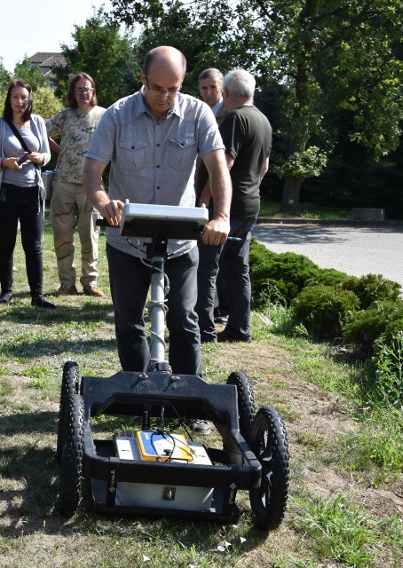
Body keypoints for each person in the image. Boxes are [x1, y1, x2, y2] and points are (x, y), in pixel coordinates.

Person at [83, 45, 232, 377]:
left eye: (174, 89)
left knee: (184, 318)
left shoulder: (198, 115)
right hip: (128, 241)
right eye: (158, 88)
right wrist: (105, 203)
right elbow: (92, 172)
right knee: (129, 320)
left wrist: (221, 216)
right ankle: (139, 395)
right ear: (143, 78)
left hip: (180, 241)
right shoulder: (118, 115)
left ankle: (188, 398)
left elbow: (219, 169)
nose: (165, 97)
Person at [195, 69, 272, 343]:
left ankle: (203, 329)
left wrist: (204, 200)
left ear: (226, 93)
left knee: (206, 266)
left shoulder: (236, 119)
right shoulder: (263, 120)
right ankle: (240, 328)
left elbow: (222, 166)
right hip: (250, 204)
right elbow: (263, 167)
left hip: (224, 208)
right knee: (238, 269)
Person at [0, 80, 56, 309]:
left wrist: (41, 158)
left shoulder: (38, 122)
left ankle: (37, 295)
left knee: (33, 245)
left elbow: (46, 153)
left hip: (32, 191)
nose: (20, 102)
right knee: (5, 244)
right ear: (9, 99)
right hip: (7, 192)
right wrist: (5, 162)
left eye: (24, 97)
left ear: (29, 99)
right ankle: (6, 292)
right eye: (15, 97)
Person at [45, 73, 107, 298]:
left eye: (87, 89)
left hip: (91, 186)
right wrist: (61, 151)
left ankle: (90, 282)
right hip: (63, 183)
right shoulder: (65, 116)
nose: (83, 93)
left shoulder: (104, 116)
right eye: (79, 89)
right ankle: (66, 283)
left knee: (89, 233)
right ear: (73, 92)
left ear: (93, 91)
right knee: (62, 235)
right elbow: (42, 131)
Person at [195, 68, 230, 325]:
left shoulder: (228, 116)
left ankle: (217, 307)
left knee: (215, 256)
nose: (208, 93)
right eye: (204, 88)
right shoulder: (196, 112)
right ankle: (209, 303)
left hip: (218, 194)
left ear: (223, 89)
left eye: (213, 88)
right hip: (197, 187)